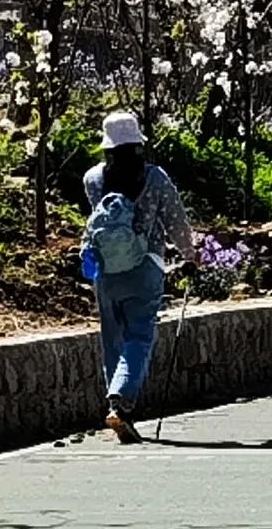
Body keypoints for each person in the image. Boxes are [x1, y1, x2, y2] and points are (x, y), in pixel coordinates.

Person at [80, 109, 196, 443]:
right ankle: (121, 402)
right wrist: (189, 256)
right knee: (140, 337)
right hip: (145, 267)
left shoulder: (92, 180)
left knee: (112, 338)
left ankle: (115, 403)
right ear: (137, 145)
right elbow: (176, 222)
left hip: (105, 271)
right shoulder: (156, 178)